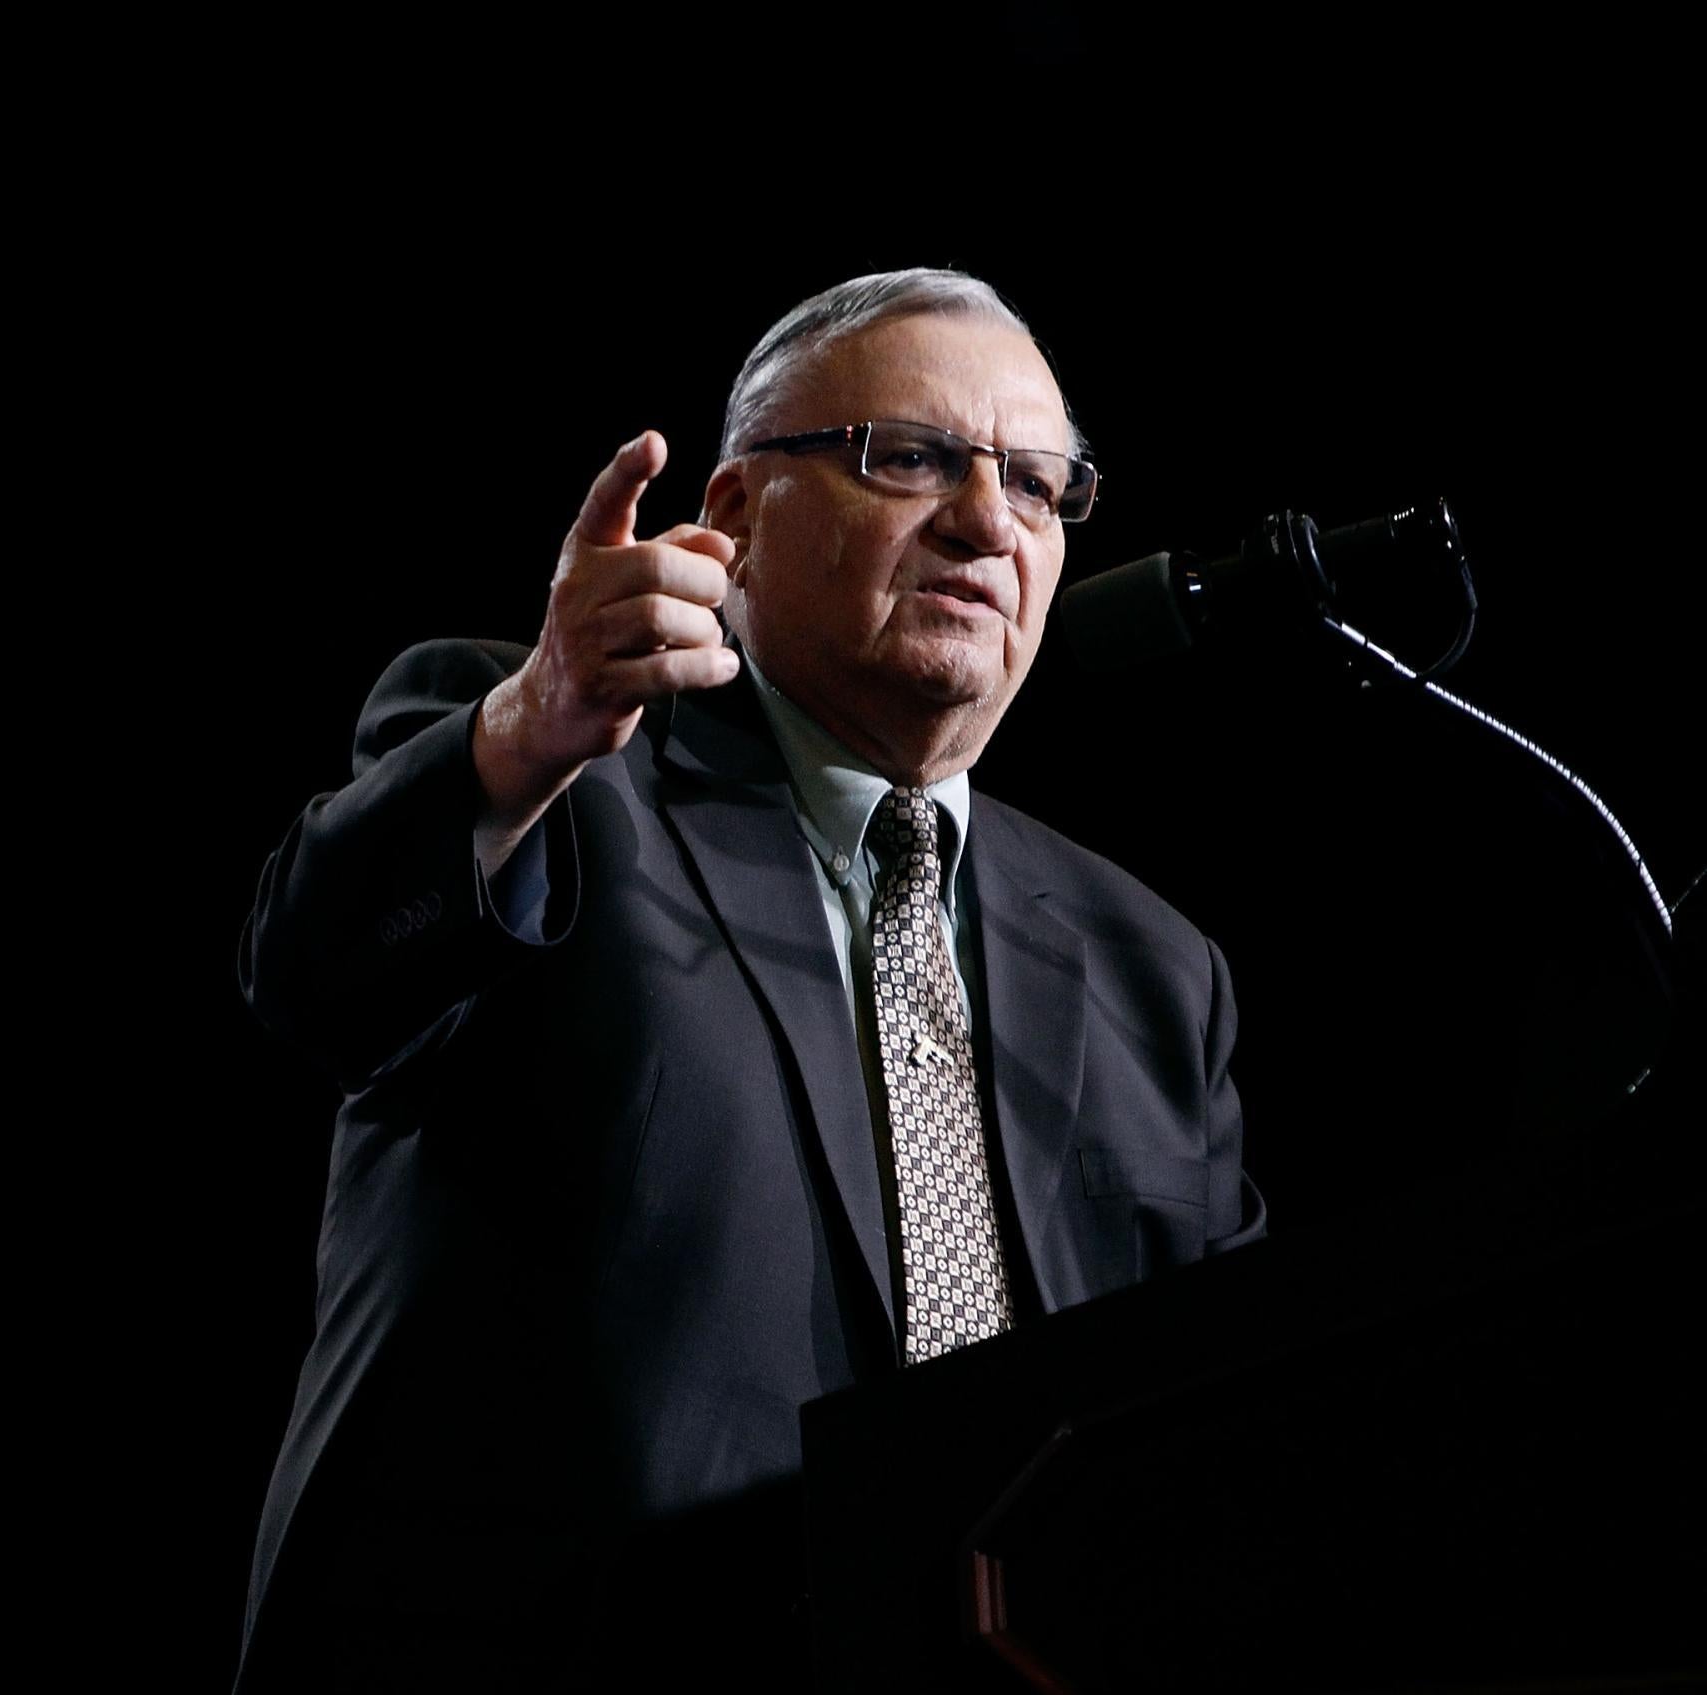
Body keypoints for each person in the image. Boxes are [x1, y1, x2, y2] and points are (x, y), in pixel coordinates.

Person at [234, 268, 1265, 1691]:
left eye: (1038, 486)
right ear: (731, 516)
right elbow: (315, 978)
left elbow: (1225, 1415)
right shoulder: (561, 782)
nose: (985, 522)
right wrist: (535, 723)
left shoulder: (1151, 967)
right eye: (910, 459)